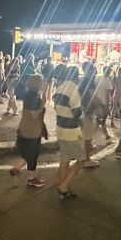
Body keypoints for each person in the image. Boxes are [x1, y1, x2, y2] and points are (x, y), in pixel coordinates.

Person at [52, 65, 84, 200]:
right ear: (76, 77)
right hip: (71, 131)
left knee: (65, 160)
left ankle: (63, 189)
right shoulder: (73, 90)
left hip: (60, 128)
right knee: (81, 160)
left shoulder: (59, 88)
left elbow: (55, 107)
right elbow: (77, 112)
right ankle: (63, 186)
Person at [9, 74, 46, 188]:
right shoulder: (34, 97)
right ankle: (31, 179)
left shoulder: (29, 95)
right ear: (37, 84)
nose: (43, 83)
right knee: (32, 156)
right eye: (42, 82)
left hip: (26, 129)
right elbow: (34, 115)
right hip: (32, 132)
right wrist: (43, 104)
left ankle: (16, 169)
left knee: (28, 153)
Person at [78, 63, 101, 168]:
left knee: (84, 135)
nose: (93, 72)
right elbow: (93, 96)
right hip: (88, 111)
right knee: (87, 136)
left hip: (81, 110)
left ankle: (82, 155)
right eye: (92, 70)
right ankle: (86, 159)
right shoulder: (89, 81)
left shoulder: (81, 80)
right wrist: (99, 107)